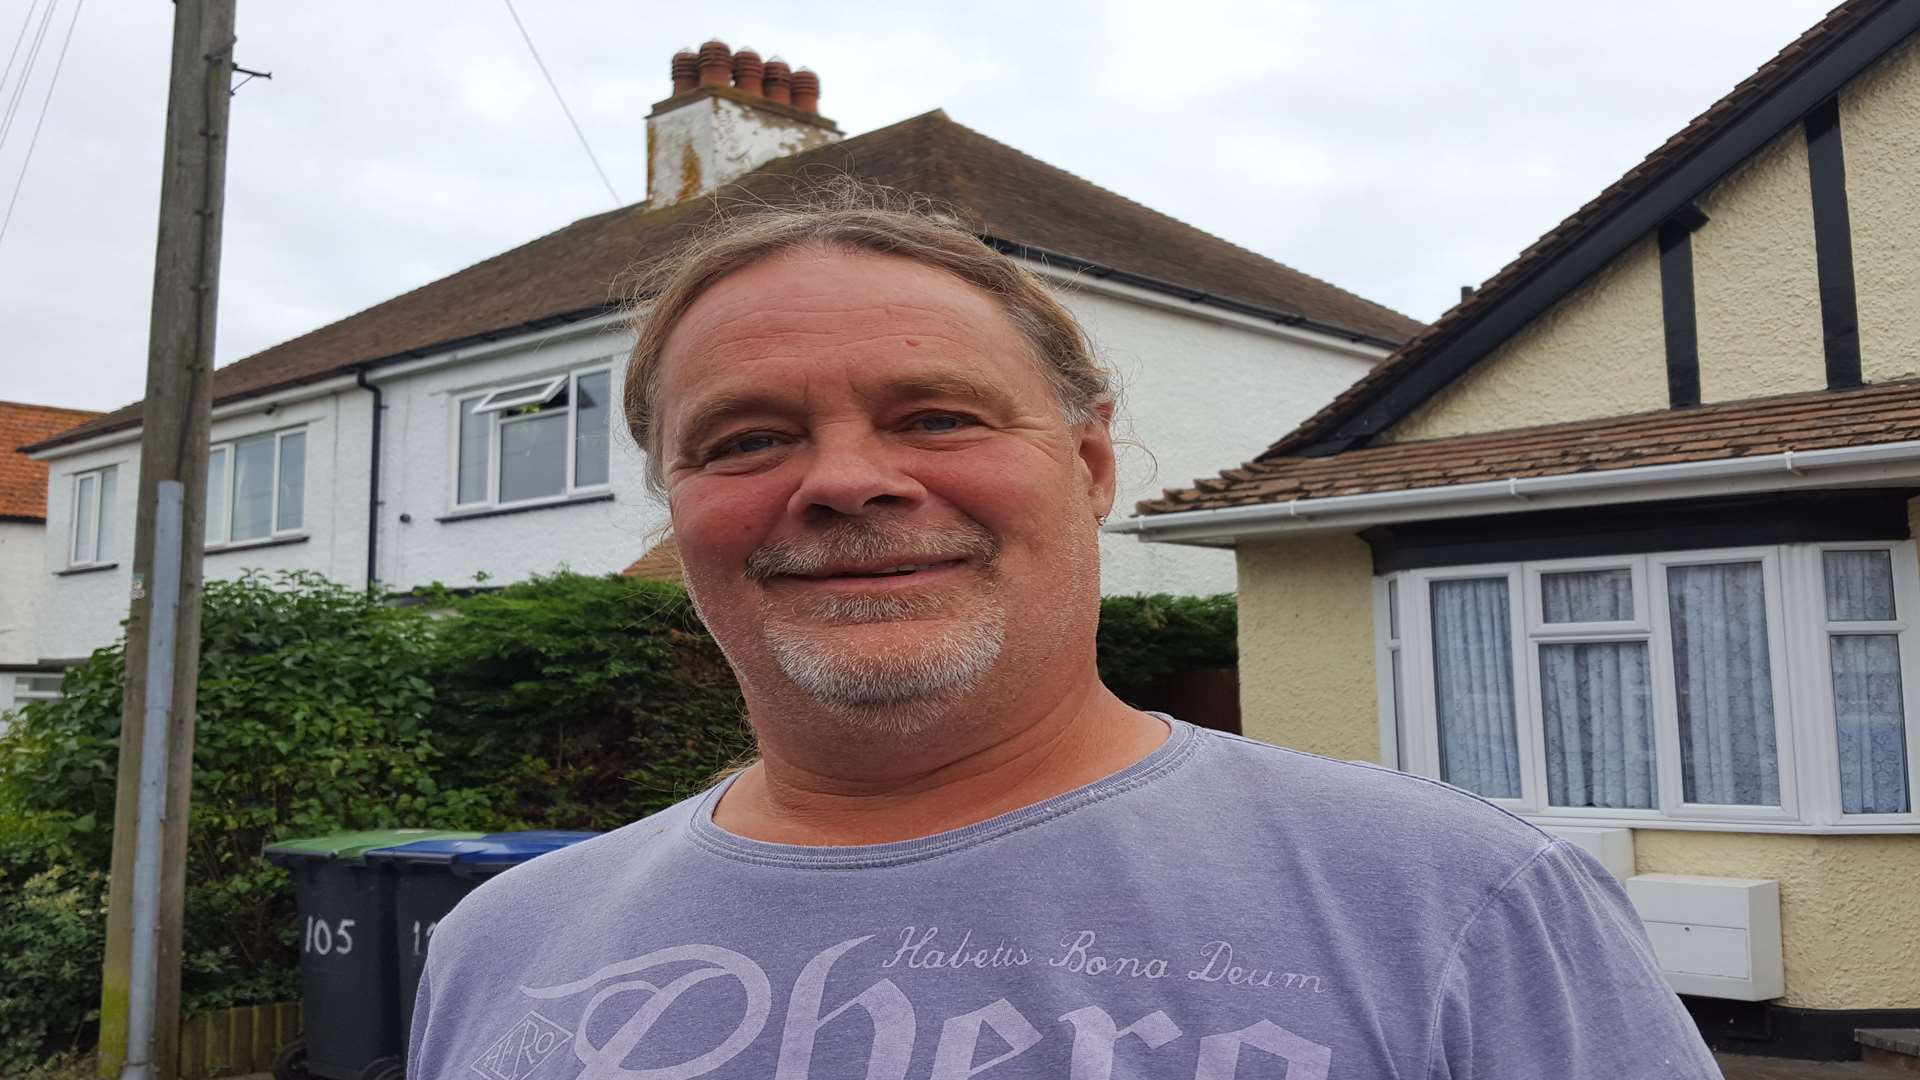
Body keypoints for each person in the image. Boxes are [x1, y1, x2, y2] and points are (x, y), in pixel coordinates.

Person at [408, 192, 1722, 1079]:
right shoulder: (500, 943)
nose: (846, 481)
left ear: (1090, 466)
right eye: (748, 440)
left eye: (938, 418)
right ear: (679, 509)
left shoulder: (1464, 908)